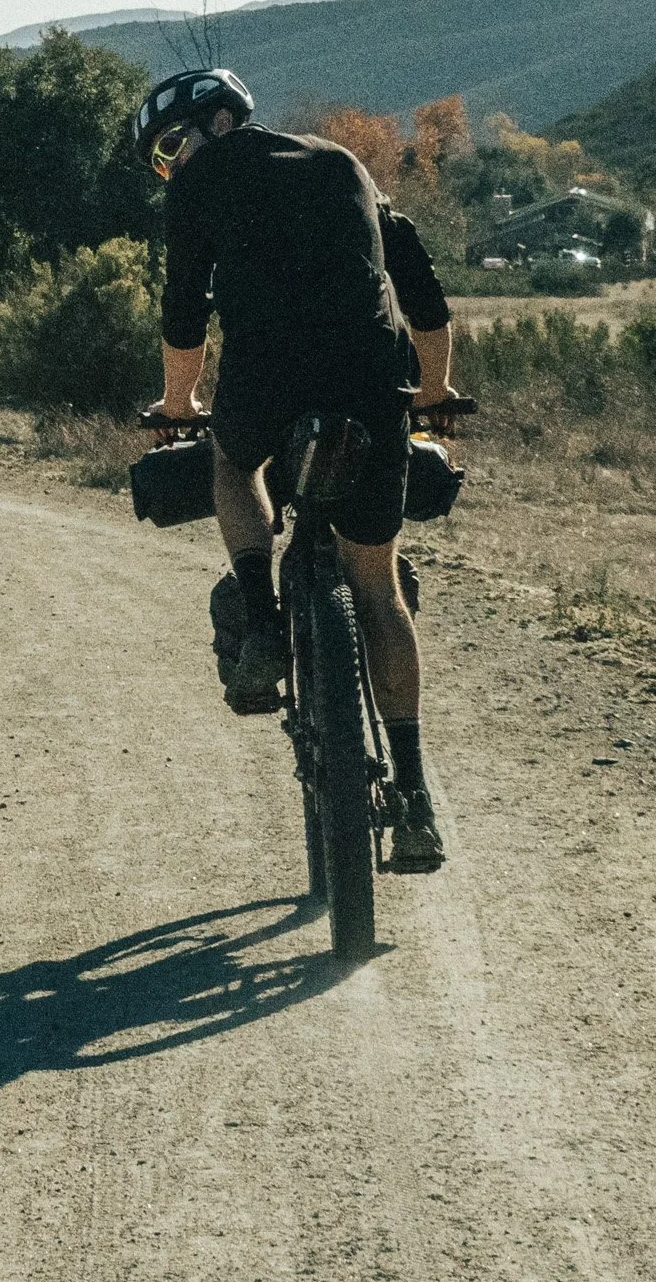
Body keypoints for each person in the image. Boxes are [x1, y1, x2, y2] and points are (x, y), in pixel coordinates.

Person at [133, 67, 458, 872]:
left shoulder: (203, 180)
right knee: (378, 587)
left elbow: (184, 311)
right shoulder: (342, 163)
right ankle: (413, 798)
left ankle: (262, 620)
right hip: (369, 378)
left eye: (174, 144)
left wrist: (179, 403)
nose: (174, 162)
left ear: (217, 120)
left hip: (266, 376)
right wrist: (435, 391)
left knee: (233, 467)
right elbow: (422, 292)